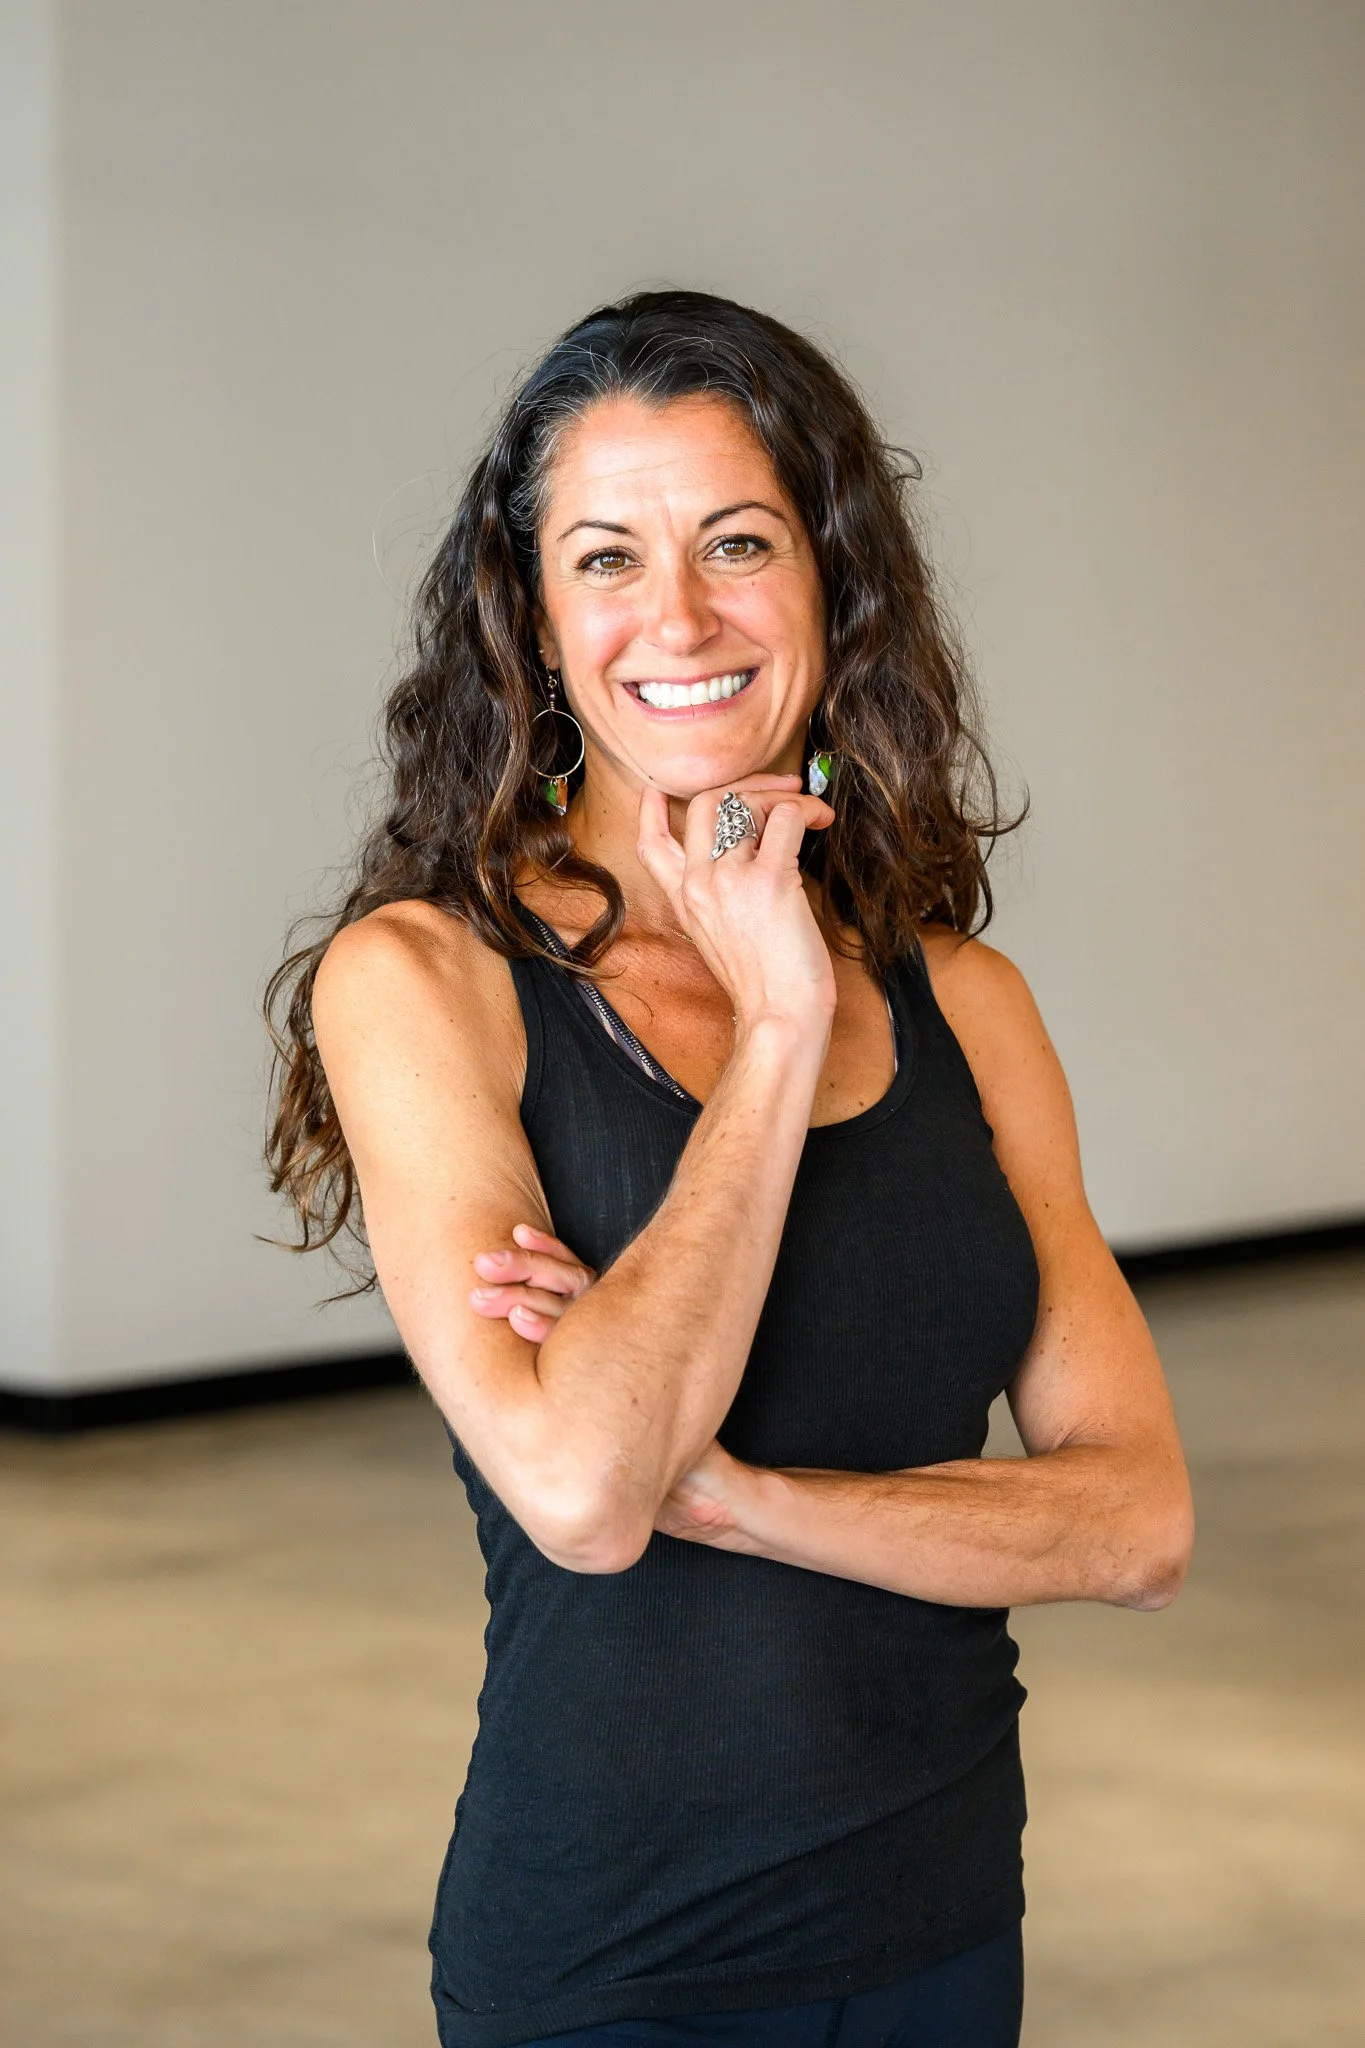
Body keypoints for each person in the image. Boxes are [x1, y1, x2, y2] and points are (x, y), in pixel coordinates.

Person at [265, 289, 1193, 2048]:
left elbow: (1139, 1519)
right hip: (621, 1966)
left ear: (834, 587)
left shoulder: (967, 1004)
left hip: (940, 1922)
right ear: (533, 627)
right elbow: (591, 1496)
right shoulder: (425, 983)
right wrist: (774, 1026)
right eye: (605, 558)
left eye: (739, 542)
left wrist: (753, 1497)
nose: (677, 615)